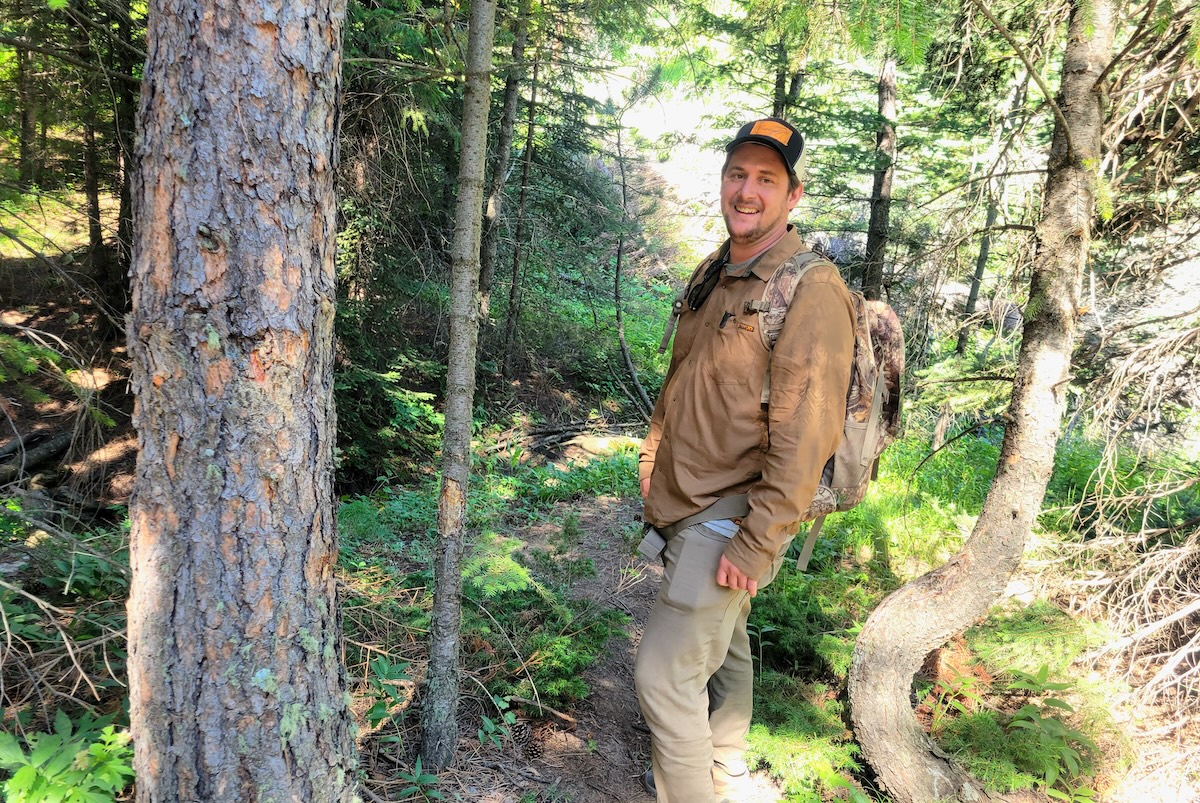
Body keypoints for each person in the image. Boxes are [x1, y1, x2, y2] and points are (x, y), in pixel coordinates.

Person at [634, 117, 856, 802]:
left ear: (793, 196)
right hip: (689, 503)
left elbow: (807, 431)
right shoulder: (720, 269)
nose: (747, 190)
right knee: (725, 648)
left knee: (663, 678)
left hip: (728, 517)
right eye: (738, 174)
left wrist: (757, 542)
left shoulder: (810, 289)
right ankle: (726, 769)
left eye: (767, 179)